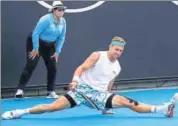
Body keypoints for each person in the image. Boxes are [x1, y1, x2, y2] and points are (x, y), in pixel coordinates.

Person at [2, 36, 178, 119]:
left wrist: (105, 106)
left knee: (127, 102)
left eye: (121, 51)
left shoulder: (117, 67)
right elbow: (81, 68)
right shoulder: (97, 55)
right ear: (110, 47)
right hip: (81, 91)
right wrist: (76, 81)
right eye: (116, 49)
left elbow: (109, 87)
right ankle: (20, 112)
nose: (118, 52)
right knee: (52, 107)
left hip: (99, 96)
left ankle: (163, 109)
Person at [15, 1, 67, 98]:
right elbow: (36, 33)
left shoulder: (63, 22)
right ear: (54, 10)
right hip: (36, 42)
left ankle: (50, 91)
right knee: (31, 65)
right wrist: (35, 48)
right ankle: (20, 90)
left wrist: (57, 52)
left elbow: (62, 37)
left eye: (63, 10)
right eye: (59, 10)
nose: (62, 11)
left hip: (50, 46)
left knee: (53, 67)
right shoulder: (46, 19)